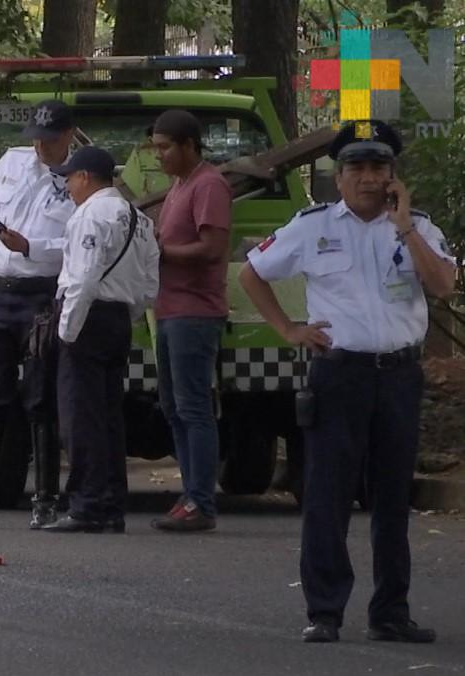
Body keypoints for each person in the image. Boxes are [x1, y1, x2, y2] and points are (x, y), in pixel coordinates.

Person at [239, 119, 456, 644]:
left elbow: (444, 286)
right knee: (328, 495)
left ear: (392, 175)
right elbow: (252, 272)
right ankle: (325, 611)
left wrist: (404, 227)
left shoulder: (417, 228)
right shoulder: (312, 227)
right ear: (338, 177)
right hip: (340, 376)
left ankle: (390, 612)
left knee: (392, 497)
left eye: (378, 166)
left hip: (398, 377)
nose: (367, 177)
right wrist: (289, 329)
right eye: (356, 167)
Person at [0, 99, 76, 529]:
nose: (41, 148)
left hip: (41, 294)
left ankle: (45, 499)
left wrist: (31, 247)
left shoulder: (79, 179)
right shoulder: (12, 162)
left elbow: (78, 244)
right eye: (36, 139)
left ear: (68, 136)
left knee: (41, 399)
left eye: (49, 140)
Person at [40, 147, 160, 533]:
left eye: (70, 178)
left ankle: (86, 505)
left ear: (86, 177)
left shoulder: (89, 216)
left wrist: (67, 330)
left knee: (80, 415)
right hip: (118, 318)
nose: (68, 187)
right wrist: (128, 313)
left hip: (87, 318)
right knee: (109, 415)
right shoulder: (138, 218)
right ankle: (111, 505)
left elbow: (84, 278)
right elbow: (150, 283)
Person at [148, 110, 232, 532]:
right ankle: (190, 494)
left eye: (165, 147)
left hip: (195, 312)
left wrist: (162, 253)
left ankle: (202, 500)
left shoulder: (208, 185)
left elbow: (212, 248)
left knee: (194, 406)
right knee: (173, 406)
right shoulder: (178, 186)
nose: (159, 155)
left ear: (189, 145)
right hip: (168, 309)